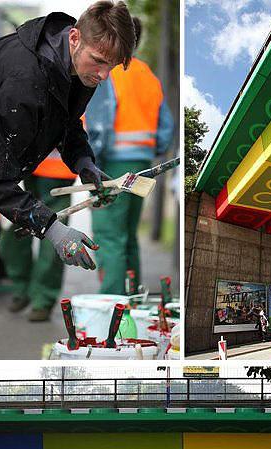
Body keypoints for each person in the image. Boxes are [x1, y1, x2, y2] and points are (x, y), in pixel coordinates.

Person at [0, 1, 139, 359]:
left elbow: (68, 123)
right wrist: (54, 231)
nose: (102, 75)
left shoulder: (81, 69)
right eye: (99, 61)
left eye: (111, 67)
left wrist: (84, 162)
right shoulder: (26, 78)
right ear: (74, 38)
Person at [85, 27, 173, 295]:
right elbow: (166, 127)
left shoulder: (108, 73)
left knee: (110, 235)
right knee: (129, 235)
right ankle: (133, 296)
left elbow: (100, 122)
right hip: (143, 164)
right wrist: (147, 151)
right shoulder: (147, 75)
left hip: (113, 165)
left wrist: (91, 162)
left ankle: (113, 304)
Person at [0, 155, 75, 322]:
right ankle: (23, 288)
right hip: (30, 165)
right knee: (13, 236)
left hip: (59, 170)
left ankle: (42, 298)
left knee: (53, 237)